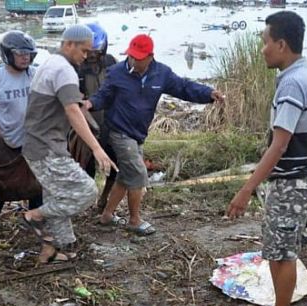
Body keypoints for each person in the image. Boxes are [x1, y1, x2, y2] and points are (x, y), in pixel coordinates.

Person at [225, 11, 307, 306]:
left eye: (265, 42)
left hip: (291, 183)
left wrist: (245, 191)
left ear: (281, 44)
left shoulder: (293, 83)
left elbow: (279, 145)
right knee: (283, 248)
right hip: (305, 177)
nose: (263, 49)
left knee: (281, 253)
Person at [84, 34, 223, 235]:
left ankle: (107, 215)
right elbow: (103, 96)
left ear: (150, 56)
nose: (134, 60)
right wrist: (90, 103)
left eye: (139, 57)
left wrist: (208, 94)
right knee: (138, 173)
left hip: (138, 133)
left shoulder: (161, 74)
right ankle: (134, 220)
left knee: (126, 175)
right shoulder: (115, 73)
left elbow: (184, 87)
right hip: (117, 132)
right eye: (131, 56)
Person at [21, 25, 118, 264]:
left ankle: (57, 248)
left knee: (58, 194)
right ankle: (33, 216)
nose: (86, 56)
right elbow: (72, 110)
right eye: (84, 51)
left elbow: (73, 107)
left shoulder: (50, 63)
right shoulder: (64, 70)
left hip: (38, 143)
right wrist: (96, 148)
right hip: (45, 147)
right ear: (69, 44)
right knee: (86, 191)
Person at [0, 30, 41, 230]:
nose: (25, 58)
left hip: (33, 140)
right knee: (2, 183)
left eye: (28, 54)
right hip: (6, 140)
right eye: (20, 53)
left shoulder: (35, 74)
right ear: (8, 54)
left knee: (37, 181)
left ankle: (33, 217)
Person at [77, 22, 118, 212]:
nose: (92, 55)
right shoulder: (75, 68)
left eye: (96, 51)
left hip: (110, 123)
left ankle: (104, 199)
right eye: (88, 51)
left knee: (114, 165)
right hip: (84, 125)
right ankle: (84, 201)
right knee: (86, 168)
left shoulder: (111, 63)